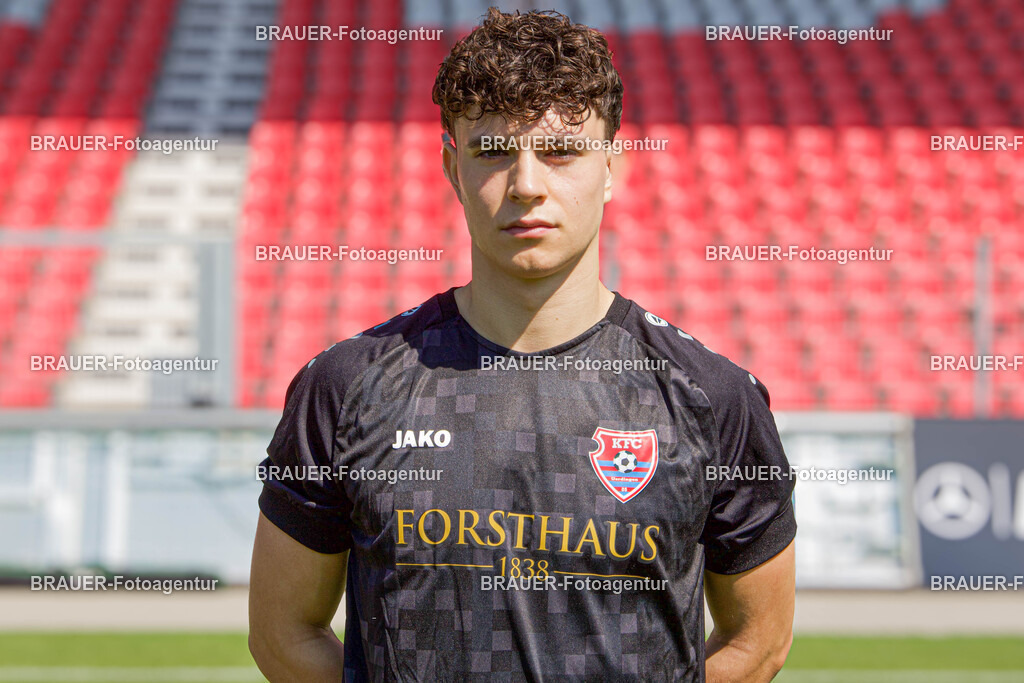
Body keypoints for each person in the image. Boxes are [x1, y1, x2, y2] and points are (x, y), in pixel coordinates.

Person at [249, 8, 795, 681]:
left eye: (561, 150)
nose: (527, 183)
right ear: (452, 166)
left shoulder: (712, 397)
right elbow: (283, 632)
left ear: (611, 165)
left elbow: (758, 641)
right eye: (493, 150)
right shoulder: (345, 386)